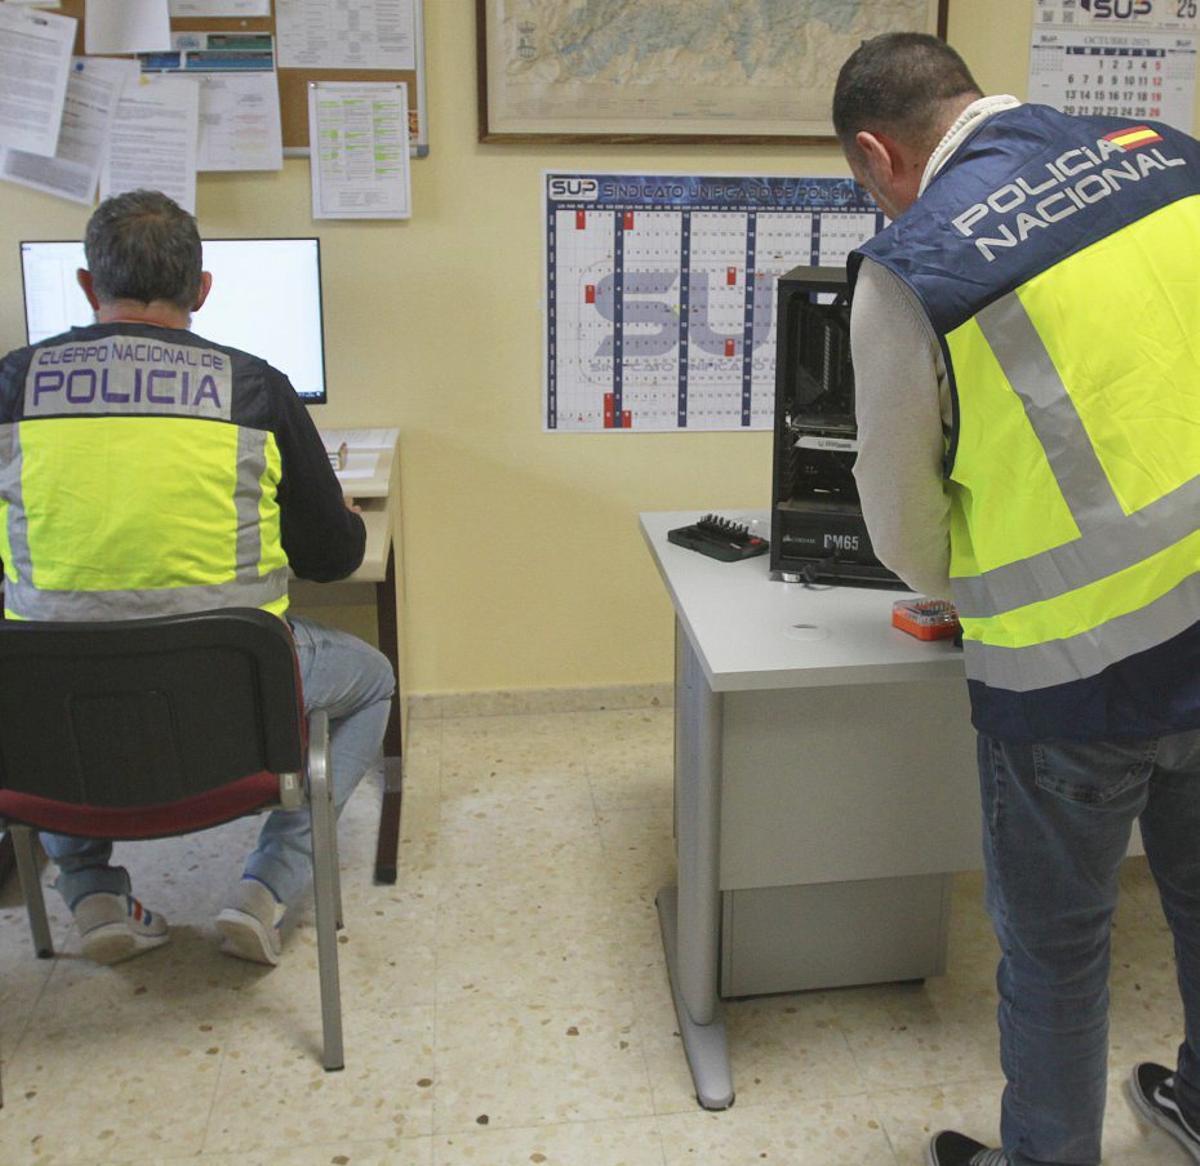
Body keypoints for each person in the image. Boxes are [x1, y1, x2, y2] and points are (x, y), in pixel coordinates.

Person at [832, 33, 1200, 1166]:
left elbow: (900, 525)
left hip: (1071, 672)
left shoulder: (915, 265)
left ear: (876, 153)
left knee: (1058, 949)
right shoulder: (1170, 157)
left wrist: (971, 588)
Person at [0, 190, 395, 969]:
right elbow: (332, 560)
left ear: (86, 287)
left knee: (41, 673)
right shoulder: (254, 389)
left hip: (52, 692)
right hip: (228, 699)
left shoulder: (13, 385)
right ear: (203, 289)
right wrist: (337, 510)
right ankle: (267, 890)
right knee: (373, 679)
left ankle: (91, 892)